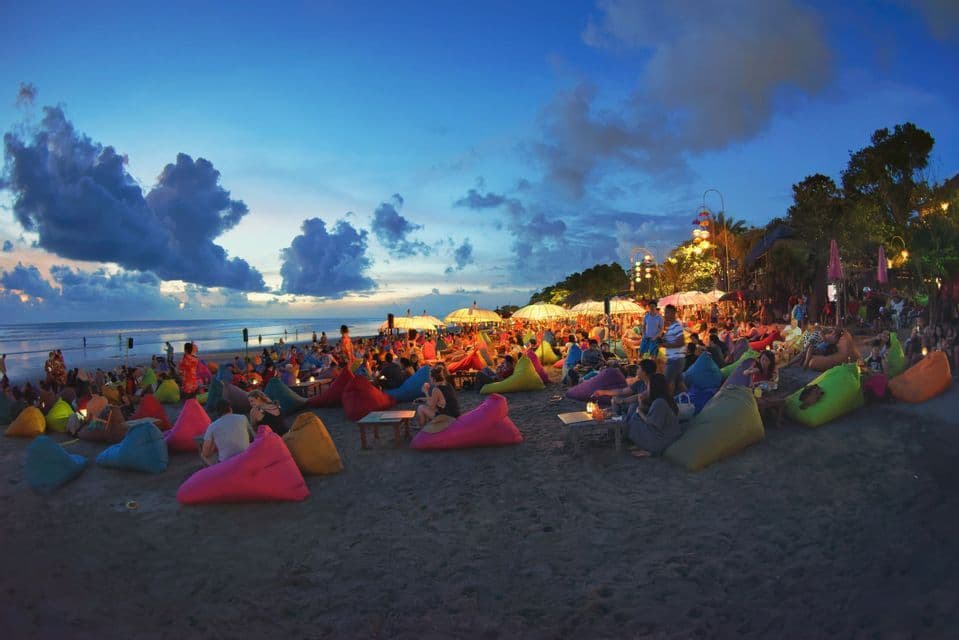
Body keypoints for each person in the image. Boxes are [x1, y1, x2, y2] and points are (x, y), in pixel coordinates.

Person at [626, 373, 682, 458]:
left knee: (635, 419)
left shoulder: (660, 402)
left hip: (664, 439)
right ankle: (643, 446)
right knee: (637, 416)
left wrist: (640, 412)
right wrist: (641, 403)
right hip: (667, 435)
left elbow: (652, 422)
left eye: (648, 386)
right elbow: (652, 413)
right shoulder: (663, 399)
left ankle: (649, 449)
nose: (647, 389)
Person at [200, 401, 254, 466]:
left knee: (203, 455)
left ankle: (215, 471)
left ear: (217, 412)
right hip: (247, 457)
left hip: (226, 464)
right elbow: (252, 436)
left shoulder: (212, 426)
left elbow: (206, 453)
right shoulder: (242, 417)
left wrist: (213, 444)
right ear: (230, 408)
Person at [660, 304, 686, 394]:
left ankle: (669, 403)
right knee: (679, 383)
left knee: (666, 383)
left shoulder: (677, 326)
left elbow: (681, 342)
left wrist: (666, 345)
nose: (665, 315)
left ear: (672, 313)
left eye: (666, 312)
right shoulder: (671, 327)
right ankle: (687, 400)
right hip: (675, 359)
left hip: (675, 359)